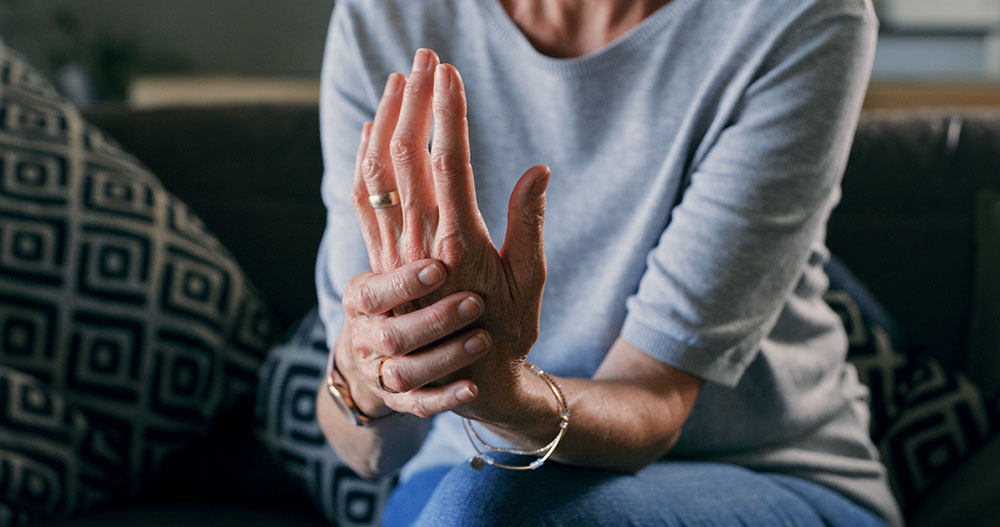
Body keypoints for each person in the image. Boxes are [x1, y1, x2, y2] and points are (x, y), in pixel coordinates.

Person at [314, 0, 902, 525]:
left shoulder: (797, 17)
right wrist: (373, 372)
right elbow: (367, 451)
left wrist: (505, 393)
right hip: (458, 473)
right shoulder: (384, 16)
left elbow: (655, 401)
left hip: (755, 471)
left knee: (490, 511)